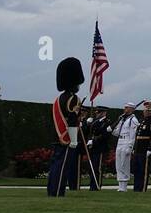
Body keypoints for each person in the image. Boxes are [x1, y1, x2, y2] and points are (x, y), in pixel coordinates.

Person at [47, 57, 84, 197]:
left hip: (58, 135)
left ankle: (52, 190)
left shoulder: (59, 98)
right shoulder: (73, 98)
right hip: (67, 136)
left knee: (56, 165)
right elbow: (73, 119)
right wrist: (74, 139)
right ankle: (57, 192)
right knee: (62, 166)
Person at [133, 100, 151, 192]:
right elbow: (137, 136)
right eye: (146, 110)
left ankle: (142, 188)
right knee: (137, 169)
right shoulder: (141, 121)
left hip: (146, 149)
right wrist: (134, 147)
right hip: (138, 148)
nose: (147, 111)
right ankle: (136, 187)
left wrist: (150, 148)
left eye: (149, 110)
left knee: (143, 170)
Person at [113, 101, 140, 192]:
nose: (125, 109)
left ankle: (124, 186)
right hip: (120, 141)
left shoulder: (133, 120)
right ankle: (120, 185)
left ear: (132, 109)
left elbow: (133, 134)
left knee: (124, 164)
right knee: (118, 164)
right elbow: (116, 132)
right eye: (125, 107)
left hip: (126, 142)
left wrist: (130, 146)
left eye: (127, 107)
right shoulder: (123, 119)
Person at [83, 108, 110, 191]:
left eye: (99, 112)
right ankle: (92, 186)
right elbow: (88, 132)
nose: (97, 114)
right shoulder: (95, 121)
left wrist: (94, 140)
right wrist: (87, 123)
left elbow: (105, 135)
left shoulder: (106, 122)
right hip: (93, 147)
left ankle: (97, 185)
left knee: (97, 167)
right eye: (97, 112)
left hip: (100, 147)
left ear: (104, 113)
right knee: (91, 167)